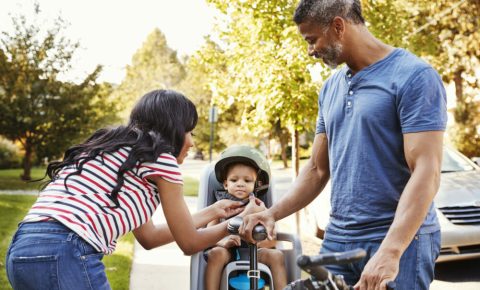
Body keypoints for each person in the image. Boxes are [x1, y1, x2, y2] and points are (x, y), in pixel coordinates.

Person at [240, 1, 447, 290]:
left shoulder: (413, 76)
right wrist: (272, 213)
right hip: (339, 238)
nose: (310, 50)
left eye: (312, 40)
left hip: (397, 238)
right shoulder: (331, 87)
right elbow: (316, 169)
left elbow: (427, 171)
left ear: (338, 26)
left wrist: (391, 250)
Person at [5, 89, 263, 290]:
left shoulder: (112, 149)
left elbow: (149, 237)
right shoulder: (162, 158)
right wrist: (238, 222)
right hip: (66, 250)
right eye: (190, 132)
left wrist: (212, 211)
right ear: (174, 130)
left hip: (21, 251)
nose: (192, 143)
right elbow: (190, 242)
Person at [204, 145, 287, 290]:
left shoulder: (259, 207)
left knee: (277, 256)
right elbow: (209, 234)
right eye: (234, 180)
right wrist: (224, 242)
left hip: (255, 251)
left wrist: (258, 242)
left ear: (256, 184)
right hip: (228, 252)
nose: (240, 184)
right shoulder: (220, 206)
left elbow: (272, 239)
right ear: (225, 184)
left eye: (247, 181)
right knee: (215, 254)